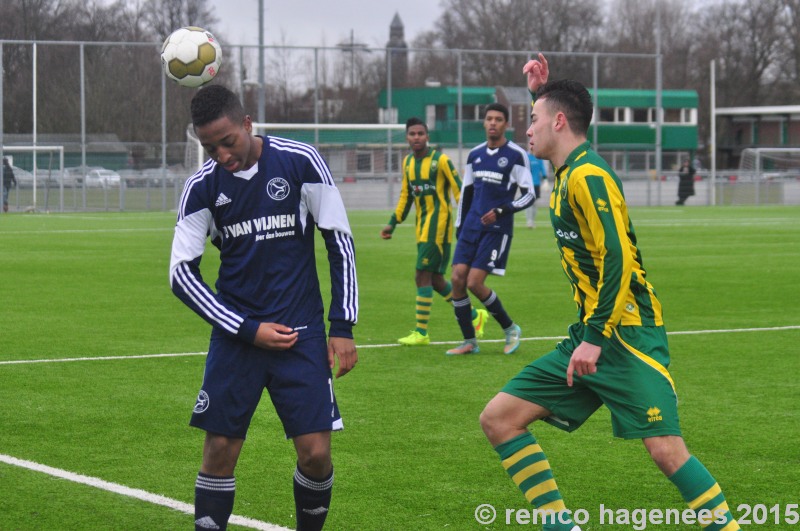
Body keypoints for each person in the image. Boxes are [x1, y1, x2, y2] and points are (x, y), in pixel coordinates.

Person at [478, 54, 740, 531]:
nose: (527, 131)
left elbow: (616, 259)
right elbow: (558, 114)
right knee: (499, 418)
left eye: (533, 119)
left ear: (559, 122)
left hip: (627, 336)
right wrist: (541, 91)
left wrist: (596, 337)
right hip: (592, 334)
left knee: (666, 450)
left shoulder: (588, 176)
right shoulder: (566, 172)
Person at [169, 85, 358, 531]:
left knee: (316, 454)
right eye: (208, 147)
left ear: (248, 124)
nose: (220, 154)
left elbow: (340, 242)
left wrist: (342, 325)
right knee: (219, 450)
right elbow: (181, 275)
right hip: (238, 339)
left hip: (302, 334)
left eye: (227, 141)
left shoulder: (299, 161)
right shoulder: (201, 187)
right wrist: (246, 329)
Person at [381, 117, 488, 346]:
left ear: (427, 136)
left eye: (421, 133)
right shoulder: (408, 163)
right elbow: (406, 196)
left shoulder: (441, 161)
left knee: (421, 275)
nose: (416, 137)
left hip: (438, 228)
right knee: (437, 280)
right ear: (407, 137)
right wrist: (393, 222)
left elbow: (461, 191)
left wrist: (469, 220)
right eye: (412, 134)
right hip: (421, 229)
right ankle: (473, 315)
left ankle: (421, 332)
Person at [447, 103, 534, 356]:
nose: (493, 123)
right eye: (489, 119)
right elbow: (467, 192)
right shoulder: (475, 154)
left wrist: (502, 210)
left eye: (498, 119)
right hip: (471, 226)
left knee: (474, 282)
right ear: (484, 123)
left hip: (497, 228)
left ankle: (510, 328)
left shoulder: (516, 155)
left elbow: (529, 195)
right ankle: (469, 342)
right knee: (456, 279)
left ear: (506, 124)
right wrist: (459, 224)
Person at [525, 152, 547, 228]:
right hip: (528, 184)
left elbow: (542, 168)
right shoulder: (526, 157)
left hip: (537, 184)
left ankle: (532, 220)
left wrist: (545, 179)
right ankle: (529, 221)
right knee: (529, 203)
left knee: (534, 203)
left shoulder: (539, 158)